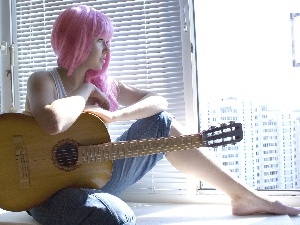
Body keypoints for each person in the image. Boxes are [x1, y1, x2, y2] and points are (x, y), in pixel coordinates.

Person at [23, 5, 300, 225]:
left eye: (108, 42)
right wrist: (85, 89)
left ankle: (243, 196)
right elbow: (52, 121)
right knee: (116, 217)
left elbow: (158, 101)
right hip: (46, 194)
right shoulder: (44, 81)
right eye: (100, 40)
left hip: (93, 178)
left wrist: (118, 117)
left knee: (161, 122)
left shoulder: (106, 84)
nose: (107, 50)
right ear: (79, 40)